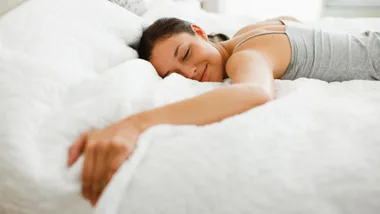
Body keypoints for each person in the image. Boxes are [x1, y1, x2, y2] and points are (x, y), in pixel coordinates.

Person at [67, 16, 380, 206]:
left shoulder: (243, 56)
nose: (188, 73)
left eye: (185, 53)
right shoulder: (250, 30)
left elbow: (254, 92)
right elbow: (289, 18)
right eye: (174, 74)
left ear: (200, 32)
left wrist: (134, 125)